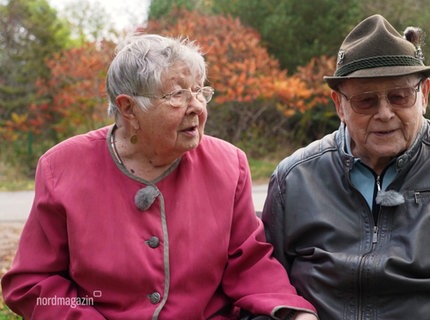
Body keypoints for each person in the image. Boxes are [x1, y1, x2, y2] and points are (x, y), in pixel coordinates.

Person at [1, 34, 318, 320]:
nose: (196, 107)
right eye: (177, 95)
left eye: (199, 91)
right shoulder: (62, 168)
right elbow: (33, 283)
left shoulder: (228, 164)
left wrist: (293, 313)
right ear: (128, 108)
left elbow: (248, 262)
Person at [262, 14, 430, 319]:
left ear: (423, 95)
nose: (385, 113)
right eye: (366, 101)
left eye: (399, 96)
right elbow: (266, 287)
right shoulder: (293, 179)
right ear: (339, 105)